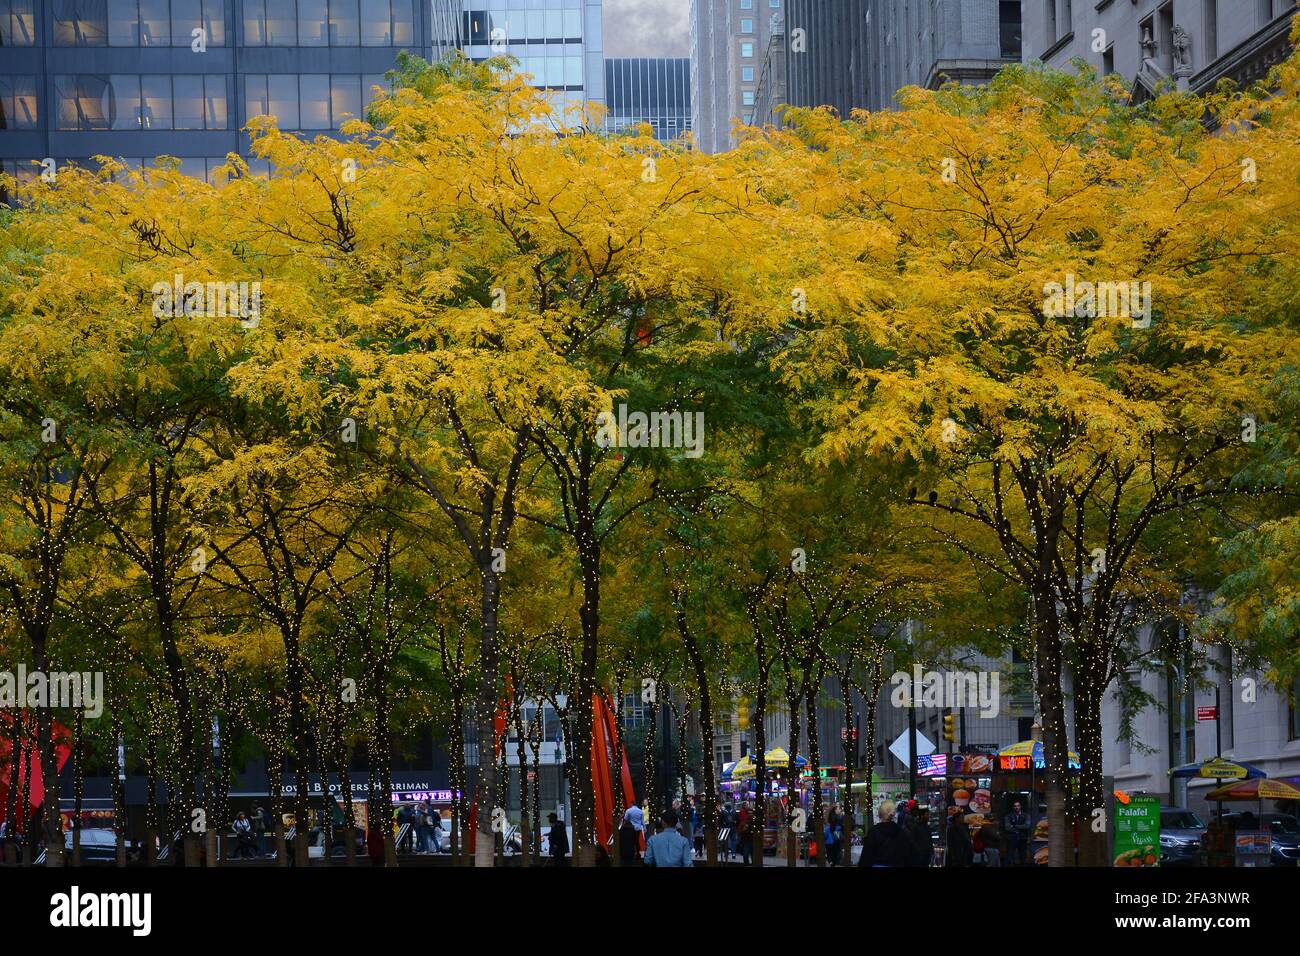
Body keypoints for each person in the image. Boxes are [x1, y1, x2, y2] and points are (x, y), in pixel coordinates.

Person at [857, 800, 915, 868]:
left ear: (880, 813)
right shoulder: (901, 831)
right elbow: (908, 854)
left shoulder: (873, 831)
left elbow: (866, 856)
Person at [1004, 800, 1029, 867]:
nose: (1017, 807)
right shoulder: (1008, 816)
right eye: (1015, 806)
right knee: (1010, 857)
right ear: (1013, 807)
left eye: (1018, 806)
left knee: (1023, 857)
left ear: (1020, 806)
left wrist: (1014, 826)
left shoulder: (1026, 815)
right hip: (1012, 839)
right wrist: (1020, 827)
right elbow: (1007, 827)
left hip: (1022, 839)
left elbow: (1027, 826)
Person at [737, 801, 753, 866]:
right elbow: (739, 831)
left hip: (752, 840)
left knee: (752, 853)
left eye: (751, 813)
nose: (750, 815)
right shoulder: (743, 823)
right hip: (746, 840)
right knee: (746, 854)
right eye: (749, 813)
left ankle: (751, 863)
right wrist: (743, 830)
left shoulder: (753, 822)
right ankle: (747, 864)